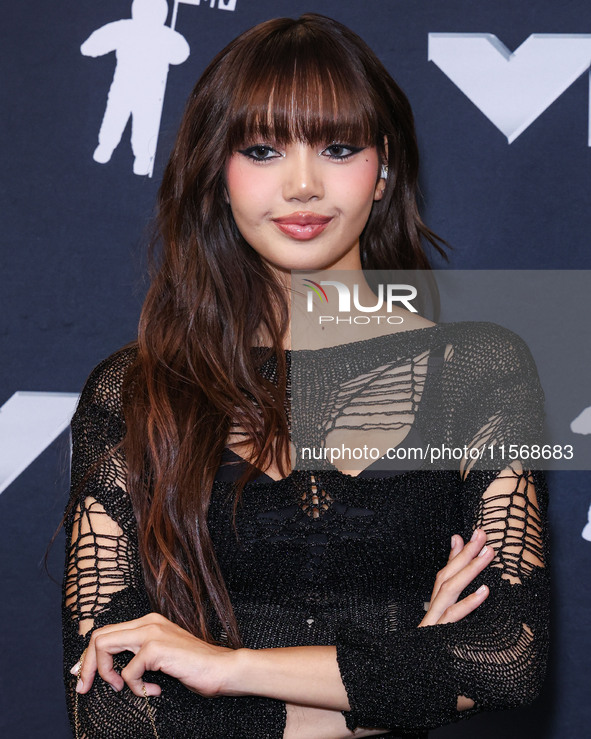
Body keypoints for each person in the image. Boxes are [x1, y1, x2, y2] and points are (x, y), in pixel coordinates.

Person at [61, 13, 550, 739]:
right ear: (216, 172)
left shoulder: (477, 367)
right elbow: (110, 708)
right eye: (261, 149)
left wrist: (226, 668)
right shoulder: (134, 391)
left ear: (382, 168)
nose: (300, 185)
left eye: (337, 147)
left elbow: (506, 660)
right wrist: (403, 676)